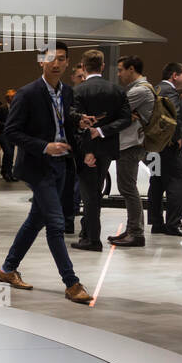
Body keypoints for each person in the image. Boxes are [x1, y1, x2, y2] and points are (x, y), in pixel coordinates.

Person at [0, 44, 93, 304]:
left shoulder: (68, 93)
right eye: (50, 59)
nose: (56, 64)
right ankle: (72, 283)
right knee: (56, 224)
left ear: (67, 62)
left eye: (61, 59)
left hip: (61, 165)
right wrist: (44, 146)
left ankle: (7, 270)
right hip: (38, 167)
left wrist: (80, 126)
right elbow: (11, 132)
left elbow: (64, 124)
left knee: (35, 220)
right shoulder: (27, 94)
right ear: (41, 62)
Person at [69, 49, 131, 251]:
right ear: (103, 66)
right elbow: (126, 119)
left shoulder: (77, 91)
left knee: (89, 195)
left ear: (84, 67)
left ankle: (92, 239)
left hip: (84, 150)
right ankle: (87, 232)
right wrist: (102, 131)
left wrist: (88, 141)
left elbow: (74, 122)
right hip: (106, 148)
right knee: (95, 192)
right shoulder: (117, 90)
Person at [108, 55, 157, 247]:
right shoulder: (139, 89)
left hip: (131, 145)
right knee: (128, 188)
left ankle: (136, 233)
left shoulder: (140, 91)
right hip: (132, 143)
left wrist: (122, 113)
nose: (119, 74)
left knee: (128, 188)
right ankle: (132, 229)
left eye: (121, 70)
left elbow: (113, 111)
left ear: (131, 69)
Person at [146, 62, 182, 237]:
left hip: (154, 147)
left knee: (157, 182)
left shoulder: (156, 89)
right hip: (169, 147)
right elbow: (172, 115)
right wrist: (177, 138)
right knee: (179, 182)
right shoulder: (170, 91)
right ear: (174, 75)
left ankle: (157, 223)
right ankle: (174, 224)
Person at [0, 88, 18, 181]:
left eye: (14, 97)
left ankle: (8, 173)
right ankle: (5, 172)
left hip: (12, 134)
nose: (13, 99)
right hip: (3, 134)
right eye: (11, 97)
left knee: (10, 154)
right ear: (7, 98)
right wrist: (5, 124)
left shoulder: (16, 108)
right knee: (8, 152)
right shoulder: (2, 108)